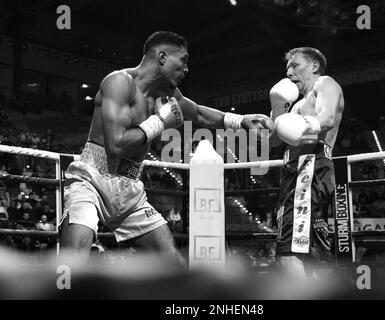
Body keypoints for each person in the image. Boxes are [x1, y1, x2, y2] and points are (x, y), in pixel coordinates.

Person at [59, 31, 274, 265]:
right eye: (183, 60)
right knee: (74, 263)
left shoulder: (165, 93)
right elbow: (116, 145)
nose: (187, 69)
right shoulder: (119, 82)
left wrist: (240, 120)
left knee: (174, 266)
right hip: (92, 179)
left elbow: (199, 113)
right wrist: (159, 122)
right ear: (162, 57)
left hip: (130, 188)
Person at [269, 47, 344, 278]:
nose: (289, 71)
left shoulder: (325, 83)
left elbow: (328, 117)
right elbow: (272, 142)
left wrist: (302, 125)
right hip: (295, 172)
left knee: (287, 255)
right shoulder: (296, 105)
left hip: (311, 166)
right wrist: (277, 108)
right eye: (287, 67)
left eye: (295, 65)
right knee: (312, 256)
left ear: (314, 67)